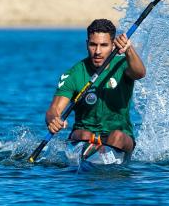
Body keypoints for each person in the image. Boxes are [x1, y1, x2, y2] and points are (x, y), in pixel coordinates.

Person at [45, 19, 146, 153]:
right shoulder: (73, 75)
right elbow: (54, 110)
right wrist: (53, 120)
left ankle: (103, 155)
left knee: (117, 136)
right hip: (83, 135)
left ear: (112, 45)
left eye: (104, 45)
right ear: (87, 44)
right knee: (84, 135)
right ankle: (92, 156)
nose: (97, 51)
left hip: (120, 136)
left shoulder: (123, 65)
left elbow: (140, 73)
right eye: (93, 45)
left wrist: (128, 49)